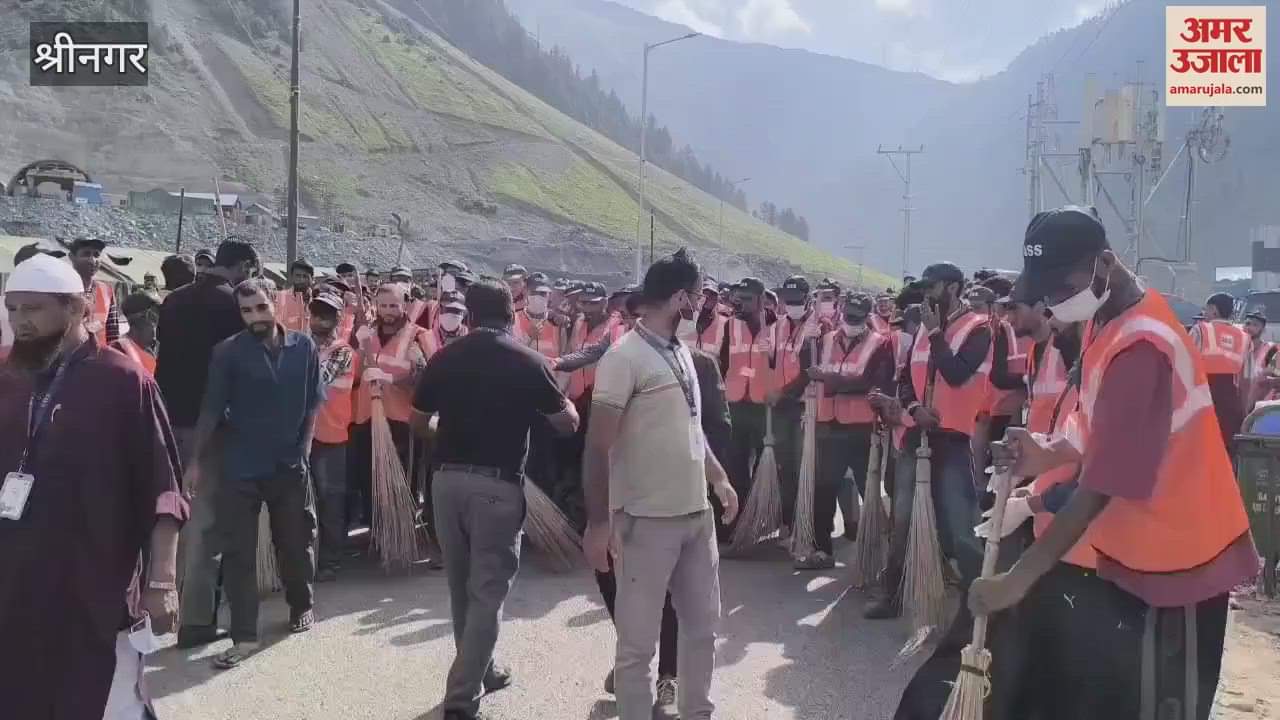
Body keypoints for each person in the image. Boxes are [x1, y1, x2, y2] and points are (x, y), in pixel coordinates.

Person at [973, 206, 1258, 720]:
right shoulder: (1107, 321)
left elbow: (1100, 487)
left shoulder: (1143, 342)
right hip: (1134, 559)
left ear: (1104, 263)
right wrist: (1047, 450)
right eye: (1048, 289)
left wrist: (1018, 579)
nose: (1055, 301)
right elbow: (1093, 425)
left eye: (1063, 286)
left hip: (1181, 561)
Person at [0, 254, 187, 720]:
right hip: (16, 587)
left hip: (96, 588)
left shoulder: (124, 381)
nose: (20, 322)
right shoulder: (6, 381)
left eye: (34, 309)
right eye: (13, 309)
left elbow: (163, 488)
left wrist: (162, 581)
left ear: (76, 309)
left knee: (107, 702)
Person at [409, 278, 578, 720]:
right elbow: (567, 424)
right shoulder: (528, 360)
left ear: (469, 313)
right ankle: (461, 699)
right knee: (487, 593)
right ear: (510, 313)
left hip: (445, 485)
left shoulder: (444, 358)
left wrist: (445, 435)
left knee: (462, 589)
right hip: (496, 488)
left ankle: (481, 669)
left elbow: (419, 421)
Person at [583, 248, 739, 720]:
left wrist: (719, 478)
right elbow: (596, 447)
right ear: (677, 299)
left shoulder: (682, 354)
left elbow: (691, 427)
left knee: (702, 632)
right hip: (647, 521)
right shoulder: (623, 359)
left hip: (696, 518)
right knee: (637, 646)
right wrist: (597, 525)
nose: (701, 304)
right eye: (696, 296)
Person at [188, 278, 321, 669]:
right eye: (246, 311)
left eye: (261, 307)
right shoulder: (227, 353)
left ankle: (301, 606)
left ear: (275, 303)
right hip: (241, 467)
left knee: (295, 542)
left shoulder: (304, 347)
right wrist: (195, 460)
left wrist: (306, 448)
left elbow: (313, 402)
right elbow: (211, 410)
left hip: (289, 465)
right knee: (239, 554)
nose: (255, 317)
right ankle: (244, 636)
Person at [866, 261, 990, 619]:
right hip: (916, 435)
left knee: (961, 527)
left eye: (931, 288)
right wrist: (915, 406)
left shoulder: (979, 328)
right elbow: (905, 380)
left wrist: (936, 335)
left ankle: (978, 613)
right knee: (902, 518)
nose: (925, 296)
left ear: (952, 288)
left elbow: (955, 373)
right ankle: (893, 595)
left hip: (953, 441)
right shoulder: (923, 328)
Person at [155, 238, 260, 648]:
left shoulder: (174, 300)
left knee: (168, 512)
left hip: (167, 420)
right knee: (204, 523)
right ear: (245, 266)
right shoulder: (235, 305)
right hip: (210, 427)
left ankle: (157, 600)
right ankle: (196, 621)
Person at [797, 293, 895, 568]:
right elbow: (809, 367)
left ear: (867, 317)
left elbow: (871, 382)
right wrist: (808, 341)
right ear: (841, 313)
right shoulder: (825, 339)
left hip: (862, 429)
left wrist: (828, 379)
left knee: (871, 490)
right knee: (824, 489)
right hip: (829, 426)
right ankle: (822, 550)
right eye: (849, 316)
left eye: (858, 318)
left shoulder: (880, 343)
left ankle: (881, 554)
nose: (852, 322)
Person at [349, 283, 433, 526]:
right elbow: (353, 373)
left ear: (404, 304)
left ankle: (401, 530)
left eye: (394, 305)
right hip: (366, 417)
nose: (388, 311)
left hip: (401, 421)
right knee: (369, 479)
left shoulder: (418, 335)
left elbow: (427, 376)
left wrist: (392, 379)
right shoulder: (366, 333)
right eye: (383, 305)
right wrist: (356, 344)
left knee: (401, 480)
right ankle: (375, 531)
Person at [765, 275, 825, 542]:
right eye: (787, 301)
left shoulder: (818, 328)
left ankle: (807, 525)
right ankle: (789, 522)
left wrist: (784, 392)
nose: (791, 305)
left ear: (807, 298)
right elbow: (770, 362)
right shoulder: (777, 326)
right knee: (784, 466)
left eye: (796, 301)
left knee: (805, 465)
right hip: (780, 407)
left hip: (804, 405)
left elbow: (809, 372)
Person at [719, 277, 775, 538]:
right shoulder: (731, 325)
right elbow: (722, 363)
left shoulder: (777, 326)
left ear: (762, 300)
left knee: (765, 465)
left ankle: (760, 518)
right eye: (738, 298)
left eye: (747, 299)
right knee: (734, 466)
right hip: (735, 406)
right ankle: (735, 524)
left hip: (765, 407)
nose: (740, 303)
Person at [309, 290, 358, 582]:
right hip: (302, 435)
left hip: (330, 436)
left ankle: (330, 560)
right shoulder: (299, 345)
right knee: (305, 500)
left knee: (330, 500)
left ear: (338, 318)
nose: (319, 319)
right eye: (316, 313)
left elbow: (316, 381)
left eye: (326, 314)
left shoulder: (342, 351)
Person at [1190, 293, 1248, 452]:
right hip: (1232, 405)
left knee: (1202, 452)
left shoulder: (1200, 330)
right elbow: (1246, 381)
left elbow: (1185, 367)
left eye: (1206, 309)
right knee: (1228, 454)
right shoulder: (1244, 338)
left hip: (1203, 402)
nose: (1204, 313)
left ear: (1214, 310)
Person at [67, 236, 121, 345]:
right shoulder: (61, 290)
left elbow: (113, 335)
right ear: (72, 257)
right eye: (86, 254)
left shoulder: (106, 291)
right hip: (68, 360)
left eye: (96, 255)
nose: (92, 260)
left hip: (99, 359)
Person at [110, 291, 161, 375]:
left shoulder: (150, 350)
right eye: (155, 317)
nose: (157, 324)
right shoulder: (121, 351)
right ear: (145, 316)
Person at [1241, 310, 1277, 412]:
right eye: (1247, 323)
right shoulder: (1237, 349)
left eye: (1255, 325)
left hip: (1261, 411)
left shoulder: (1271, 350)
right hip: (1238, 408)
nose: (1250, 328)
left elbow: (1275, 379)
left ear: (1263, 329)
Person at [277, 258, 315, 333]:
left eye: (305, 276)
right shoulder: (280, 298)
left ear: (312, 279)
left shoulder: (318, 300)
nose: (301, 280)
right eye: (298, 276)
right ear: (291, 277)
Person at [693, 279, 728, 354]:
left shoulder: (724, 323)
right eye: (705, 294)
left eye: (713, 294)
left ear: (717, 298)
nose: (709, 298)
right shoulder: (685, 318)